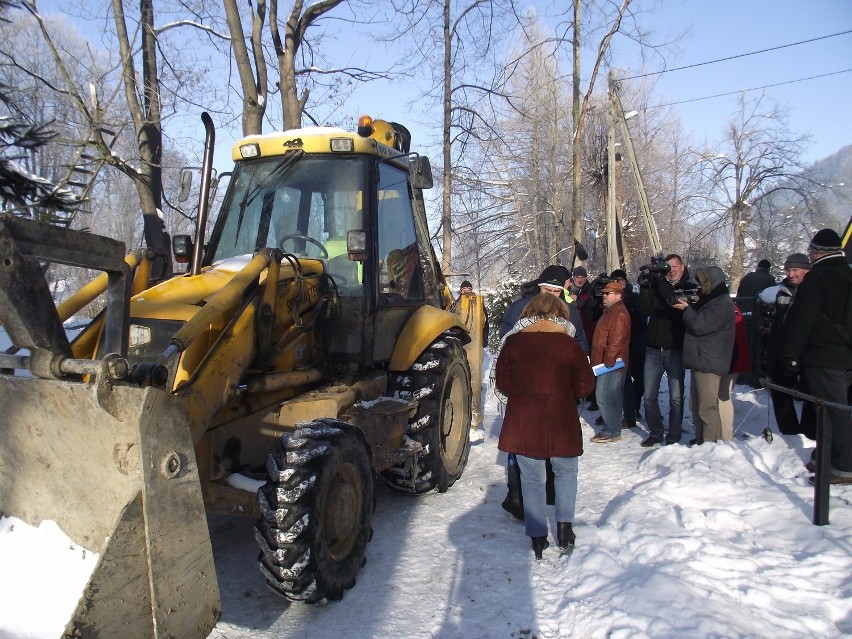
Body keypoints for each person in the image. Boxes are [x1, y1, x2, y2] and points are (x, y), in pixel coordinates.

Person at [494, 293, 596, 558]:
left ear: (527, 313)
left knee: (532, 478)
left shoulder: (513, 343)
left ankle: (537, 537)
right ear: (561, 314)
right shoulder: (568, 344)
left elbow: (503, 383)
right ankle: (564, 528)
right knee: (565, 472)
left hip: (524, 420)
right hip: (560, 420)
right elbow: (586, 385)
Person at [781, 229, 852, 485]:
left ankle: (843, 467)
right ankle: (826, 454)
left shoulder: (818, 277)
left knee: (833, 412)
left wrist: (789, 355)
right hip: (846, 355)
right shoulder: (848, 273)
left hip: (823, 356)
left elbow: (802, 319)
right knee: (832, 409)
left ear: (817, 252)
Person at [637, 254, 694, 447]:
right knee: (649, 395)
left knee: (676, 396)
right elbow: (643, 311)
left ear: (682, 267)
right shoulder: (657, 285)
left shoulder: (688, 286)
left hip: (675, 348)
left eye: (674, 266)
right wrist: (646, 287)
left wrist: (660, 282)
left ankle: (674, 433)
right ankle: (656, 431)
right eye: (667, 267)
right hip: (653, 347)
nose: (671, 270)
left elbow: (673, 300)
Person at [673, 266, 735, 443]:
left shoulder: (721, 302)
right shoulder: (709, 300)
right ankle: (701, 440)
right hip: (702, 360)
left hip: (710, 361)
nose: (700, 286)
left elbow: (700, 325)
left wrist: (687, 310)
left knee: (707, 407)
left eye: (703, 282)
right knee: (697, 406)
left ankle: (710, 444)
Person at [766, 253, 816, 439]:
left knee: (811, 393)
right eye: (788, 270)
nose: (791, 274)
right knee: (779, 389)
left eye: (795, 270)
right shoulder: (783, 291)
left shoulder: (813, 289)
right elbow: (777, 323)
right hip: (784, 349)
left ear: (806, 270)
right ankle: (790, 432)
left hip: (808, 350)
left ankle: (810, 433)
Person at [590, 280, 631, 443]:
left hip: (611, 364)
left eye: (608, 293)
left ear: (618, 295)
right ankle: (613, 429)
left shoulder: (619, 313)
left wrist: (607, 361)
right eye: (604, 293)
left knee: (604, 396)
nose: (604, 296)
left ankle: (611, 430)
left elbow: (616, 341)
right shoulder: (610, 311)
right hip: (606, 363)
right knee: (610, 397)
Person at [611, 269, 646, 429]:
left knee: (637, 380)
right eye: (615, 281)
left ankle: (634, 409)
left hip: (635, 344)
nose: (619, 283)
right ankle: (626, 413)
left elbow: (640, 319)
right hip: (618, 346)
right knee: (621, 382)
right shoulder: (607, 299)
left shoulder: (634, 297)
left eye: (621, 280)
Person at [719, 302, 751, 439]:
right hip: (729, 357)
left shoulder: (727, 308)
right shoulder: (729, 306)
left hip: (731, 359)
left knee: (722, 397)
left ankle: (725, 436)